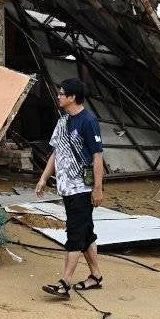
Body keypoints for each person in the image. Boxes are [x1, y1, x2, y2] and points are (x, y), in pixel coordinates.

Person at [36, 78, 105, 299]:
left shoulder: (88, 121)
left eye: (61, 93)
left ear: (72, 97)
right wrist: (44, 178)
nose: (58, 96)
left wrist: (97, 188)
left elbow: (97, 156)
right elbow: (56, 153)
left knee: (75, 234)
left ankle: (65, 282)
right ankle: (95, 276)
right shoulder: (63, 121)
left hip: (82, 189)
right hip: (66, 187)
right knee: (85, 232)